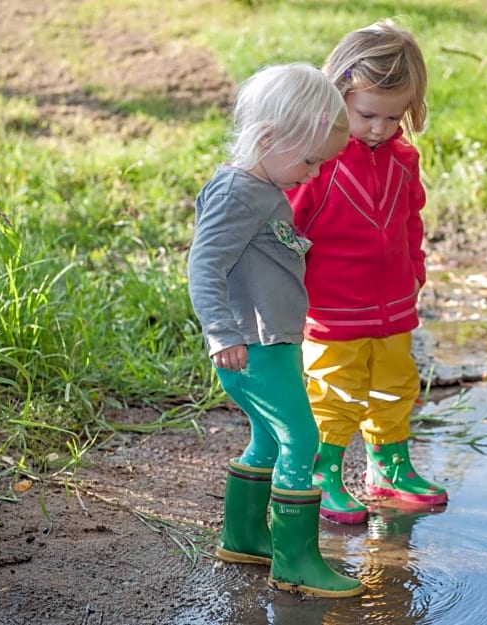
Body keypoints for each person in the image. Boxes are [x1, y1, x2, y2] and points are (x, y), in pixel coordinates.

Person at [187, 62, 364, 598]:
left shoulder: (258, 188)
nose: (312, 172)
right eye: (309, 159)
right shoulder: (239, 193)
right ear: (267, 138)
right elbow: (203, 263)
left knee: (268, 436)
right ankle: (296, 560)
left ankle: (243, 536)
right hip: (252, 349)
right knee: (300, 438)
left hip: (272, 344)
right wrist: (221, 332)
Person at [287, 20, 448, 525]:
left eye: (393, 116)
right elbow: (289, 228)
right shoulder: (320, 163)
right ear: (338, 96)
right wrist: (284, 292)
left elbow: (410, 219)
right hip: (332, 305)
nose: (380, 127)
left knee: (396, 382)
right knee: (336, 388)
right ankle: (322, 472)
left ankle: (388, 468)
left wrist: (416, 270)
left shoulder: (404, 158)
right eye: (366, 114)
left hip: (394, 301)